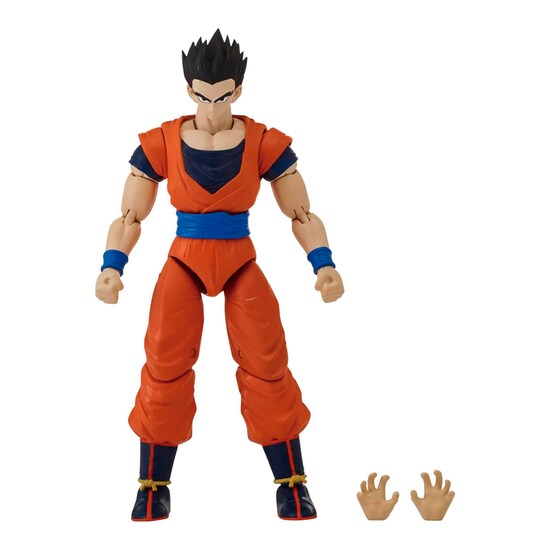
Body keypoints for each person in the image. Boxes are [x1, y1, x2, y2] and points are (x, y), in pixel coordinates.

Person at [95, 29, 344, 522]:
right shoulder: (162, 141)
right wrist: (111, 265)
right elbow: (129, 216)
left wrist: (324, 263)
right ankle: (152, 484)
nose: (212, 107)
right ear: (190, 90)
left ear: (238, 91)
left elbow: (300, 213)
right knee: (164, 360)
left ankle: (292, 483)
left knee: (267, 359)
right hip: (184, 259)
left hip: (239, 259)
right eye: (204, 96)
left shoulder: (263, 142)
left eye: (223, 96)